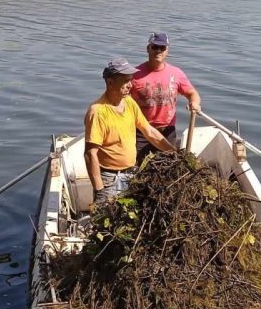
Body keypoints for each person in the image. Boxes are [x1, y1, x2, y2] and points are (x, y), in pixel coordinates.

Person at [84, 58, 177, 204]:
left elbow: (149, 132)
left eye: (131, 80)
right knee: (106, 223)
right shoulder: (98, 112)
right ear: (110, 82)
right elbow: (90, 154)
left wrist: (175, 153)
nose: (130, 85)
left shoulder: (129, 102)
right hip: (109, 179)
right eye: (125, 80)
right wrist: (99, 189)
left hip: (131, 173)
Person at [131, 32, 201, 163]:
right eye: (155, 47)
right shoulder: (135, 75)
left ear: (167, 51)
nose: (158, 51)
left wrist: (194, 103)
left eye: (162, 48)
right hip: (142, 131)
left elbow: (192, 93)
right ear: (148, 48)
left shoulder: (176, 73)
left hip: (167, 131)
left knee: (167, 168)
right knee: (139, 169)